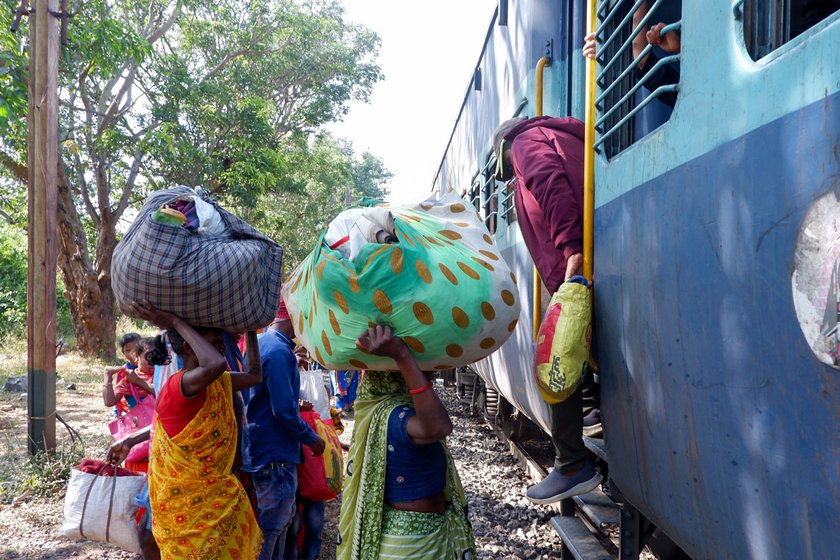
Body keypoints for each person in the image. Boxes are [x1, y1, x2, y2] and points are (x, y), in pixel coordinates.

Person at [492, 116, 602, 504]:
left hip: (575, 260)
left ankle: (572, 464)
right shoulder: (562, 132)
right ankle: (591, 411)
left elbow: (550, 183)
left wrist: (571, 246)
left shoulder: (523, 142)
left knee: (556, 352)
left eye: (505, 171)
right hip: (590, 250)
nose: (508, 179)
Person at [111, 300, 264, 559]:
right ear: (189, 347)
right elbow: (214, 363)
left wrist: (251, 329)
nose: (221, 350)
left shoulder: (219, 381)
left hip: (218, 501)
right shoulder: (178, 386)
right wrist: (175, 323)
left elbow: (254, 375)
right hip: (190, 510)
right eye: (215, 343)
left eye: (220, 343)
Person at [337, 325, 476, 560]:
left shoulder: (399, 411)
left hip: (428, 537)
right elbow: (440, 427)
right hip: (411, 545)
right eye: (421, 368)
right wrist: (401, 354)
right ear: (396, 375)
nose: (428, 375)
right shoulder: (393, 415)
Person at [241, 300, 326, 560]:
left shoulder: (263, 344)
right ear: (295, 319)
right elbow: (283, 411)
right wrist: (312, 439)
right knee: (271, 531)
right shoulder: (278, 351)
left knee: (275, 529)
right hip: (274, 455)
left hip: (262, 449)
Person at [102, 332, 142, 415]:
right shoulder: (124, 372)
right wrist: (117, 412)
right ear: (123, 352)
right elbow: (115, 397)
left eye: (136, 349)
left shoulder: (151, 367)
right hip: (136, 415)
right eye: (128, 350)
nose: (132, 353)